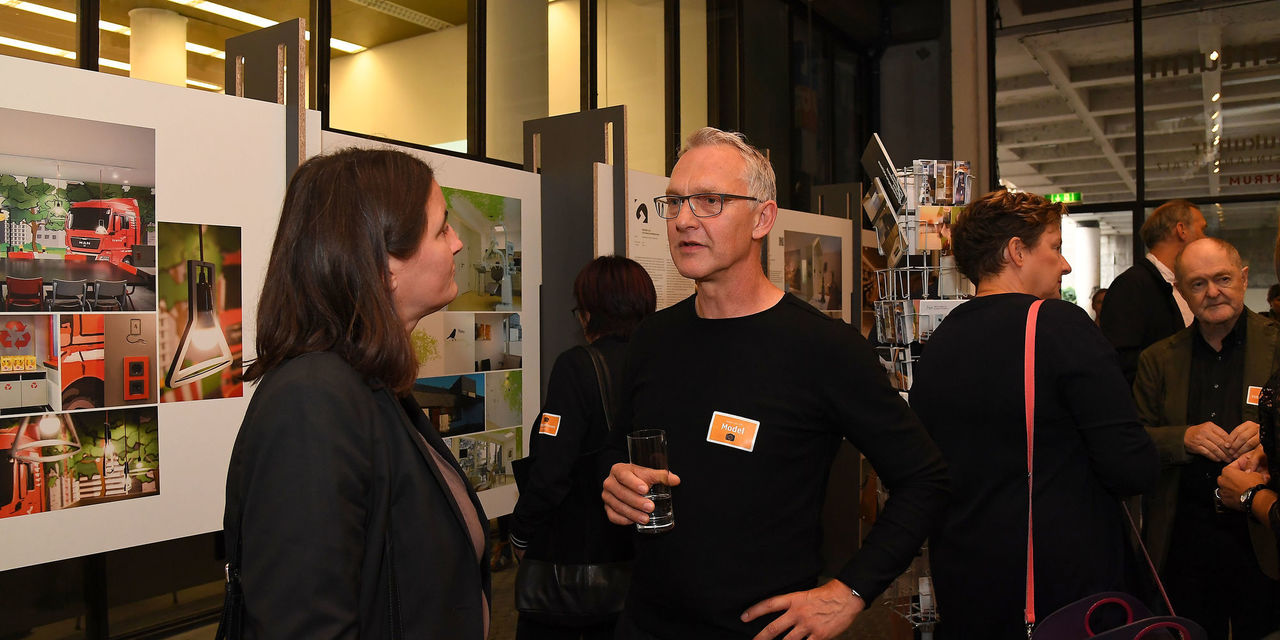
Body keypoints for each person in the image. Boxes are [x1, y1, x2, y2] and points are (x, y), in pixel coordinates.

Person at [599, 127, 949, 640]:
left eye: (710, 201)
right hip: (646, 625)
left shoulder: (823, 348)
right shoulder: (652, 339)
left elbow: (925, 480)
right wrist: (613, 488)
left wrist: (850, 591)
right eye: (674, 203)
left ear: (763, 217)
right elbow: (617, 460)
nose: (683, 220)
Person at [222, 148, 490, 638]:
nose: (456, 244)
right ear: (384, 264)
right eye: (441, 228)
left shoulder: (372, 385)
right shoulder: (313, 401)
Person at [910, 189, 1159, 639]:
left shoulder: (941, 341)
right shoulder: (1060, 325)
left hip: (966, 578)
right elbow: (1130, 466)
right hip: (1059, 590)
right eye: (1056, 247)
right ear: (1017, 251)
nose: (1065, 264)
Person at [1133, 237, 1280, 639]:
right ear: (1180, 291)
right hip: (1184, 541)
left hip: (1264, 539)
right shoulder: (1158, 360)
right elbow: (1134, 441)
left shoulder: (1277, 344)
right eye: (1198, 283)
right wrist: (1183, 438)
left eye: (1223, 278)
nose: (1213, 292)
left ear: (1244, 279)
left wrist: (1271, 437)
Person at [509, 256, 656, 640]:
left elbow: (550, 471)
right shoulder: (660, 364)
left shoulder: (577, 366)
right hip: (645, 568)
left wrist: (520, 533)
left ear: (589, 312)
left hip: (577, 576)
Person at [1099, 199, 1207, 384]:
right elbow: (1122, 362)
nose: (1205, 237)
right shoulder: (1131, 286)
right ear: (1181, 230)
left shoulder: (1180, 284)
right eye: (1202, 229)